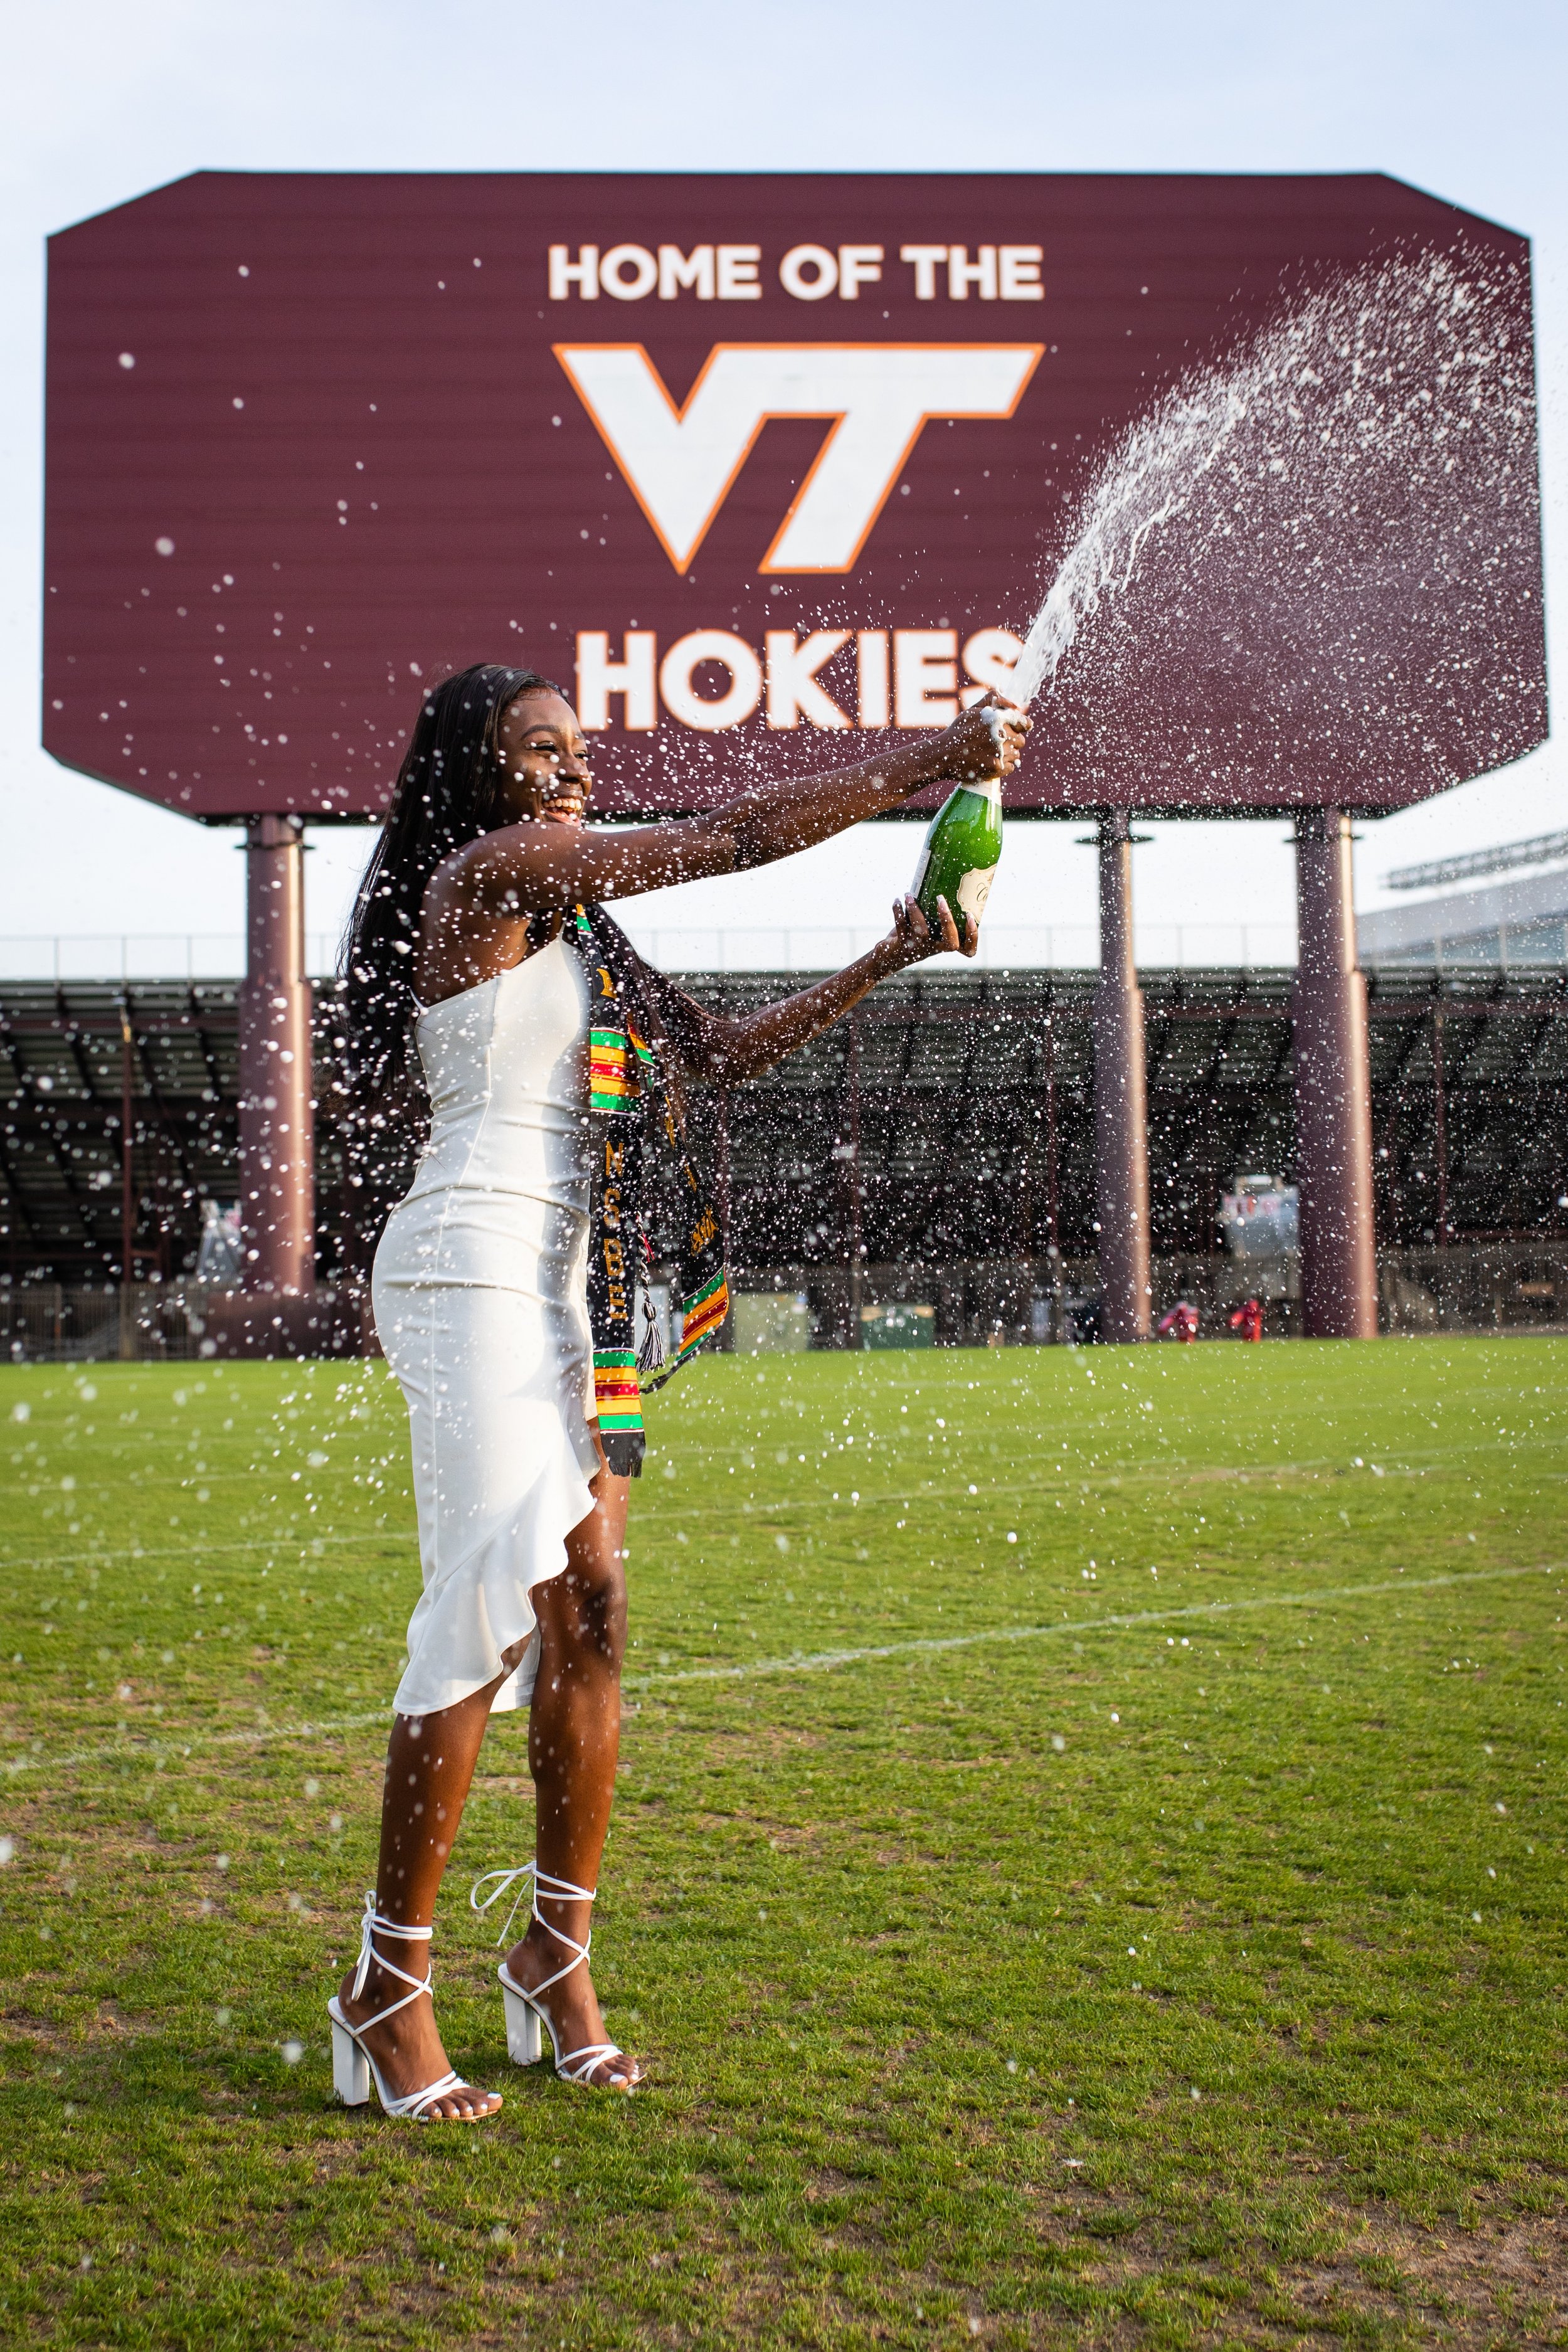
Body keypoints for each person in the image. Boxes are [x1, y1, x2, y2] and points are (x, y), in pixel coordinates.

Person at [329, 662, 1029, 2121]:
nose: (574, 771)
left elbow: (707, 1062)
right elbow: (729, 839)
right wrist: (930, 758)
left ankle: (550, 1958)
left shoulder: (582, 927)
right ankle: (386, 1989)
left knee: (590, 1612)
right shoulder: (493, 873)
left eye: (581, 750)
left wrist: (890, 952)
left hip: (578, 1291)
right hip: (467, 1271)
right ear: (481, 772)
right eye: (541, 750)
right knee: (482, 1604)